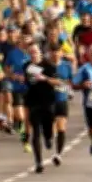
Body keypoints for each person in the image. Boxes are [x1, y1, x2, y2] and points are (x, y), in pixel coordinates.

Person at [22, 44, 64, 173]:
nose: (33, 54)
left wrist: (45, 78)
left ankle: (49, 138)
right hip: (33, 102)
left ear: (40, 53)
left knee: (48, 130)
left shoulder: (49, 66)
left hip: (48, 102)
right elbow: (27, 80)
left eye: (35, 52)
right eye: (31, 52)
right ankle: (38, 162)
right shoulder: (26, 66)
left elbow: (58, 82)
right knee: (36, 131)